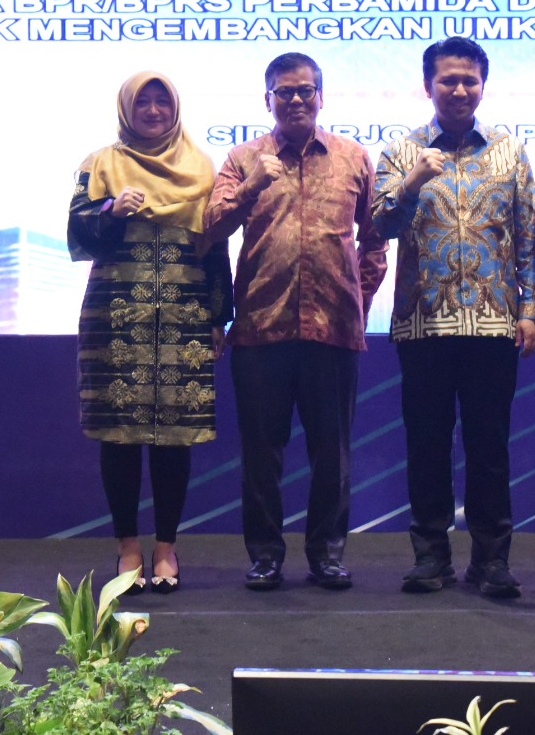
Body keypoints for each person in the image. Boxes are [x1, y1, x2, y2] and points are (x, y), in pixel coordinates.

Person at [372, 37, 535, 599]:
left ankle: (492, 561)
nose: (459, 90)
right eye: (448, 80)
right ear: (429, 86)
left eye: (469, 80)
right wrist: (412, 182)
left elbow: (528, 236)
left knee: (489, 447)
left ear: (482, 86)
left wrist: (533, 309)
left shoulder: (509, 152)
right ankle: (430, 557)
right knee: (426, 446)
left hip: (495, 325)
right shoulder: (402, 151)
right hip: (423, 324)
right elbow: (377, 226)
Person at [205, 52, 388, 591]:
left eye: (305, 90)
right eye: (284, 92)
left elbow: (376, 241)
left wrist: (356, 301)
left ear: (321, 97)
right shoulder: (244, 159)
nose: (296, 100)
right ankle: (265, 556)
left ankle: (327, 555)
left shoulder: (353, 157)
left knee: (332, 454)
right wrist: (250, 188)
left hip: (333, 330)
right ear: (267, 100)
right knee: (262, 454)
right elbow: (211, 228)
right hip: (261, 329)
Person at [68, 72, 231, 595]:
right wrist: (111, 210)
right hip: (116, 315)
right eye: (144, 102)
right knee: (119, 434)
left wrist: (217, 315)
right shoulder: (100, 164)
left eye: (163, 101)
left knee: (174, 436)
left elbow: (216, 245)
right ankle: (127, 547)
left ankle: (165, 547)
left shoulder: (201, 167)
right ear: (127, 109)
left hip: (184, 314)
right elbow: (77, 232)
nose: (154, 110)